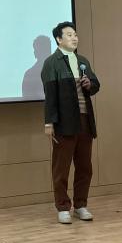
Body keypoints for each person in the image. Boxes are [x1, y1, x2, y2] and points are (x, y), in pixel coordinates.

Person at [40, 21, 100, 224]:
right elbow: (50, 96)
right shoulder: (52, 63)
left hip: (85, 120)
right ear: (59, 39)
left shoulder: (82, 60)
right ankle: (63, 207)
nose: (74, 38)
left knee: (85, 166)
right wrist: (49, 123)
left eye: (75, 34)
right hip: (64, 122)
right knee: (61, 167)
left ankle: (81, 205)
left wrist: (89, 84)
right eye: (69, 35)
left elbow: (96, 85)